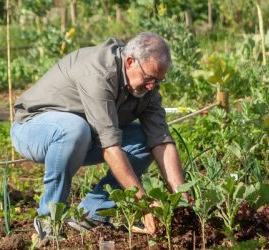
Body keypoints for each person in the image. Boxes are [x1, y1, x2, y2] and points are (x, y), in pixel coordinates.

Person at [10, 32, 189, 243]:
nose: (152, 86)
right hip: (33, 128)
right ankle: (50, 219)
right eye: (149, 78)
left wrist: (182, 199)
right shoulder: (99, 73)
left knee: (144, 138)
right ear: (130, 61)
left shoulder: (147, 89)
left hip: (83, 136)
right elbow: (111, 148)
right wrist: (143, 203)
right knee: (75, 129)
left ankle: (90, 213)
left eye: (158, 80)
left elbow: (161, 141)